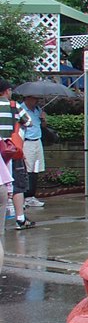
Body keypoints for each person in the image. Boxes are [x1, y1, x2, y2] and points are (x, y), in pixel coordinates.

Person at [0, 80, 35, 229]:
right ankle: (20, 218)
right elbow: (29, 122)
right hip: (10, 151)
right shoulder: (13, 106)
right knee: (16, 184)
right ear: (7, 91)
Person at [20, 95, 47, 207]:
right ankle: (26, 195)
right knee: (28, 169)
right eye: (35, 98)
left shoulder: (37, 110)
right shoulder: (21, 109)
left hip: (37, 140)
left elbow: (43, 126)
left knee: (36, 168)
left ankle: (32, 195)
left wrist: (43, 119)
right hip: (27, 141)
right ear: (27, 98)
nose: (37, 101)